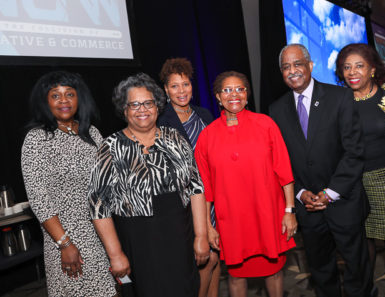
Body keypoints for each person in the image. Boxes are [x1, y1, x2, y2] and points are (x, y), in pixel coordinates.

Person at [88, 73, 209, 297]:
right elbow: (98, 205)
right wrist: (115, 254)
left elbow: (196, 188)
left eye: (148, 103)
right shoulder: (110, 147)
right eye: (134, 104)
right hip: (139, 244)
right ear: (124, 109)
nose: (142, 109)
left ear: (157, 106)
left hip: (180, 237)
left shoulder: (175, 138)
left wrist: (201, 236)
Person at [269, 44, 372, 297]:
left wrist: (330, 192)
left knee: (357, 269)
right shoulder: (276, 110)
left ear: (310, 65)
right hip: (308, 207)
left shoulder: (340, 97)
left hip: (343, 202)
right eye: (286, 67)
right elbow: (282, 161)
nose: (292, 71)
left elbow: (354, 152)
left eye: (297, 64)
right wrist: (301, 192)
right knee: (320, 271)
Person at [194, 71, 297, 297]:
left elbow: (284, 171)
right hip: (231, 220)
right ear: (218, 97)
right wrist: (208, 227)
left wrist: (289, 211)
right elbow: (205, 187)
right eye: (227, 90)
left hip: (268, 214)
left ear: (247, 95)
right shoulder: (207, 137)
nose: (234, 94)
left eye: (240, 89)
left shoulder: (266, 124)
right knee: (236, 275)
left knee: (275, 272)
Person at [21, 71, 116, 297]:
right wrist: (65, 244)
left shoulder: (91, 133)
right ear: (45, 101)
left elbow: (108, 180)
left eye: (70, 94)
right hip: (67, 239)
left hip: (103, 233)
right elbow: (38, 199)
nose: (64, 100)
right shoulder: (37, 139)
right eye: (56, 95)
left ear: (79, 98)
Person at [335, 43, 385, 297]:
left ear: (372, 69)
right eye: (346, 67)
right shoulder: (338, 101)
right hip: (354, 183)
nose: (352, 72)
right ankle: (367, 290)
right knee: (362, 243)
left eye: (359, 66)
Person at [157, 57, 219, 297]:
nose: (181, 91)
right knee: (203, 258)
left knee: (216, 256)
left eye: (185, 84)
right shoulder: (160, 120)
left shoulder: (204, 114)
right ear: (165, 89)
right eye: (174, 86)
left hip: (212, 194)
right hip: (184, 198)